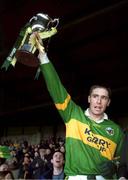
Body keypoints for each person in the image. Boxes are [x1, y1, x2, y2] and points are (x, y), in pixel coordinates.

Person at [30, 32, 124, 180]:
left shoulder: (117, 131)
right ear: (89, 99)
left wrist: (116, 166)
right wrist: (42, 56)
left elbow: (121, 161)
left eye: (103, 98)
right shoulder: (73, 115)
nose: (99, 101)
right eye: (95, 96)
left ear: (108, 102)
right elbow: (57, 89)